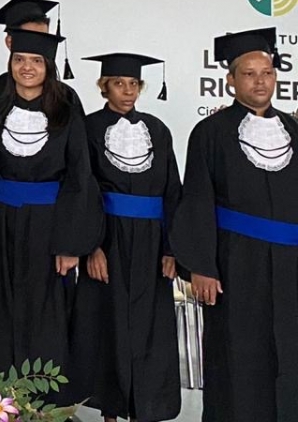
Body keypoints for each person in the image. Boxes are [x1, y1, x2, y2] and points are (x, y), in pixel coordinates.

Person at [171, 27, 298, 422]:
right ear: (230, 80)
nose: (260, 82)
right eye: (249, 74)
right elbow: (197, 199)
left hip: (290, 267)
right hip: (235, 265)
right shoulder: (210, 132)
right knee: (238, 356)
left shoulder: (294, 131)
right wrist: (202, 267)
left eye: (267, 73)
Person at [0, 28, 101, 376]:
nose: (27, 68)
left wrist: (70, 243)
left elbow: (79, 178)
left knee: (46, 310)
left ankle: (44, 398)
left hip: (49, 226)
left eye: (36, 61)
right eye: (19, 59)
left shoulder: (66, 113)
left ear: (48, 66)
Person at [70, 53, 180, 422]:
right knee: (108, 324)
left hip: (151, 243)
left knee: (150, 326)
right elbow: (83, 190)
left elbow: (172, 190)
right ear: (104, 87)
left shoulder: (157, 130)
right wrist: (92, 247)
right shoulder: (87, 128)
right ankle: (110, 411)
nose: (128, 91)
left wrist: (171, 248)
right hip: (108, 238)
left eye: (134, 84)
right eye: (119, 83)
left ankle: (144, 409)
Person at [0, 0, 83, 162]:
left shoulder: (66, 96)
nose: (39, 43)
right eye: (30, 36)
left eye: (44, 38)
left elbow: (80, 159)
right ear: (10, 42)